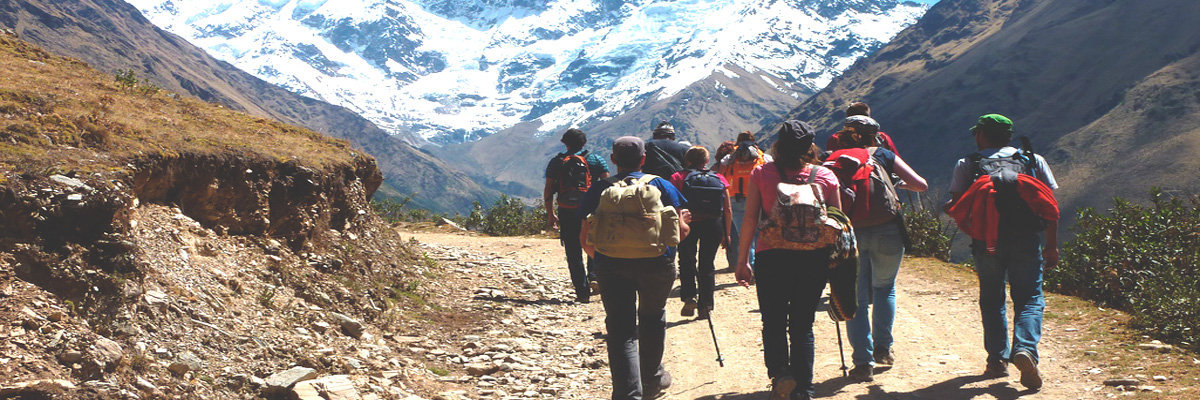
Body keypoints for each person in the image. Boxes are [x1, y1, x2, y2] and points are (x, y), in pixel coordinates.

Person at [944, 114, 1059, 390]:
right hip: (1026, 240)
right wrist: (1051, 245)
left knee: (992, 298)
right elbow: (1050, 205)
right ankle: (1025, 349)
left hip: (986, 241)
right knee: (1030, 298)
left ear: (982, 135)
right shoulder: (1033, 161)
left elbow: (955, 205)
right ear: (1008, 136)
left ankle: (997, 360)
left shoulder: (967, 164)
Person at [735, 121, 841, 400]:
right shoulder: (826, 176)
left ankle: (781, 374)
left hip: (772, 256)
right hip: (813, 259)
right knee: (802, 324)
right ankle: (804, 389)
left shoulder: (762, 172)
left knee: (772, 320)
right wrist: (839, 266)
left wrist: (742, 259)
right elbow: (839, 224)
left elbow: (749, 219)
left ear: (778, 145)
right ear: (810, 147)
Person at [580, 136, 691, 400]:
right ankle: (651, 383)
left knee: (620, 329)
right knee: (653, 318)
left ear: (613, 160)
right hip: (657, 263)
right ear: (644, 159)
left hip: (610, 264)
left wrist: (604, 258)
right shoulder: (661, 185)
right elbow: (679, 233)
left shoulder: (598, 189)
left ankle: (628, 394)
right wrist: (684, 223)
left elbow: (585, 239)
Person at [824, 116, 928, 382]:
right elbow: (921, 184)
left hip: (850, 234)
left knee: (855, 295)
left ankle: (862, 361)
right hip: (888, 229)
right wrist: (897, 185)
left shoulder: (833, 158)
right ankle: (883, 347)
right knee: (885, 288)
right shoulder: (883, 155)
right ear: (875, 135)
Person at [544, 128, 610, 303]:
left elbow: (549, 191)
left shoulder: (556, 162)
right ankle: (594, 275)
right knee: (594, 242)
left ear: (565, 143)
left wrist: (550, 214)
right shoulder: (596, 160)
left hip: (567, 210)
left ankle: (582, 292)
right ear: (584, 142)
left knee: (573, 250)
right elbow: (608, 187)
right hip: (593, 210)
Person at [669, 146, 733, 319]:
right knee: (707, 264)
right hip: (713, 224)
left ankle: (689, 296)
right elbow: (727, 208)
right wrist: (727, 234)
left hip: (688, 223)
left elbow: (674, 205)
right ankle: (706, 305)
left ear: (687, 160)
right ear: (706, 161)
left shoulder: (677, 177)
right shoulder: (719, 178)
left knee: (687, 260)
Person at [718, 132, 771, 270]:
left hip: (736, 199)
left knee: (746, 237)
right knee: (761, 234)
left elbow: (721, 177)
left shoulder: (729, 158)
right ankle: (762, 267)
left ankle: (751, 268)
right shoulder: (764, 157)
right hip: (760, 199)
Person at [825, 102, 899, 154]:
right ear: (869, 117)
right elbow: (895, 159)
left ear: (848, 118)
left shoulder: (836, 138)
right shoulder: (882, 137)